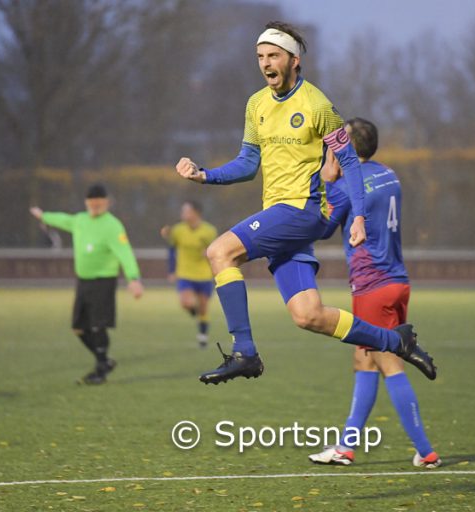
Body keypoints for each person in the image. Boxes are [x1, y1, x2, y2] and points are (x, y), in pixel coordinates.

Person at [174, 21, 436, 385]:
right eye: (260, 56)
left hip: (304, 209)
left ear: (294, 60)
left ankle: (245, 352)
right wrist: (205, 175)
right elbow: (249, 164)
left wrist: (358, 216)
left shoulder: (317, 104)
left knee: (220, 252)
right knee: (308, 315)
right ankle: (397, 340)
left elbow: (349, 163)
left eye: (274, 56)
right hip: (281, 216)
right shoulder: (256, 104)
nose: (266, 63)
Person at [308, 118, 441, 468]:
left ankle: (426, 451)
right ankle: (346, 447)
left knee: (388, 361)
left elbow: (321, 227)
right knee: (363, 358)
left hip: (372, 284)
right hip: (397, 280)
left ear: (349, 148)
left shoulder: (350, 185)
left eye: (339, 142)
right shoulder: (390, 175)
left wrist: (326, 179)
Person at [30, 183, 144, 385]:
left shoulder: (112, 225)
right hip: (83, 282)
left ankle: (101, 370)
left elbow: (124, 252)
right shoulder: (80, 220)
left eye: (99, 204)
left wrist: (133, 279)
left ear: (107, 203)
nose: (95, 207)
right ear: (87, 203)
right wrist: (44, 216)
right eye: (92, 204)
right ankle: (105, 361)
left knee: (98, 326)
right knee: (79, 328)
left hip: (103, 281)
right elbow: (63, 220)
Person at [160, 201, 218, 348]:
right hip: (185, 274)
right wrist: (172, 270)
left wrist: (208, 253)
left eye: (186, 211)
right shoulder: (178, 230)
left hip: (204, 275)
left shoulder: (209, 230)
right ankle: (193, 309)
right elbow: (172, 249)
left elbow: (215, 250)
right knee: (186, 302)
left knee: (204, 308)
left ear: (196, 213)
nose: (183, 214)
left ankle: (203, 335)